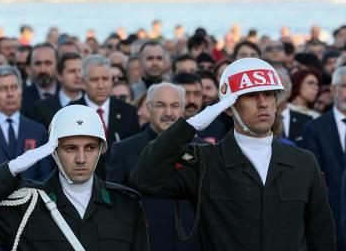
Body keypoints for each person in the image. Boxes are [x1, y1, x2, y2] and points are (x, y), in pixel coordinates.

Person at [132, 58, 336, 251]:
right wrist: (189, 126)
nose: (263, 103)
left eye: (269, 94)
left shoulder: (303, 162)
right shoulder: (204, 162)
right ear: (229, 108)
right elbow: (146, 179)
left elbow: (321, 237)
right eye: (250, 96)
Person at [0, 104, 150, 250]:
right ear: (54, 152)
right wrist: (11, 169)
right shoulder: (24, 207)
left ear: (100, 151)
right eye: (70, 148)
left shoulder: (125, 205)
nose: (81, 158)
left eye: (90, 148)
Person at [107, 83, 200, 251]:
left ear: (183, 109)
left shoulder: (203, 150)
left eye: (175, 105)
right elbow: (115, 205)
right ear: (148, 108)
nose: (168, 113)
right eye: (160, 105)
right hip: (145, 243)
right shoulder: (123, 150)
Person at [70, 55, 140, 178]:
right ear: (83, 83)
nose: (101, 85)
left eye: (105, 79)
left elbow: (133, 153)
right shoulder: (70, 112)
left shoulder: (128, 112)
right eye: (94, 80)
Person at [303, 67, 346, 250]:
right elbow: (310, 177)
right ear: (332, 90)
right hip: (329, 220)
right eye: (345, 86)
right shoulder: (314, 128)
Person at [28, 52, 83, 128]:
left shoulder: (92, 105)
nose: (78, 75)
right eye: (72, 71)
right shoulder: (41, 108)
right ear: (59, 75)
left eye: (81, 71)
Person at [21, 43, 59, 113]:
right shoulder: (21, 98)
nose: (43, 70)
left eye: (48, 63)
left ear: (57, 65)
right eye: (38, 64)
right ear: (29, 68)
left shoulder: (67, 93)